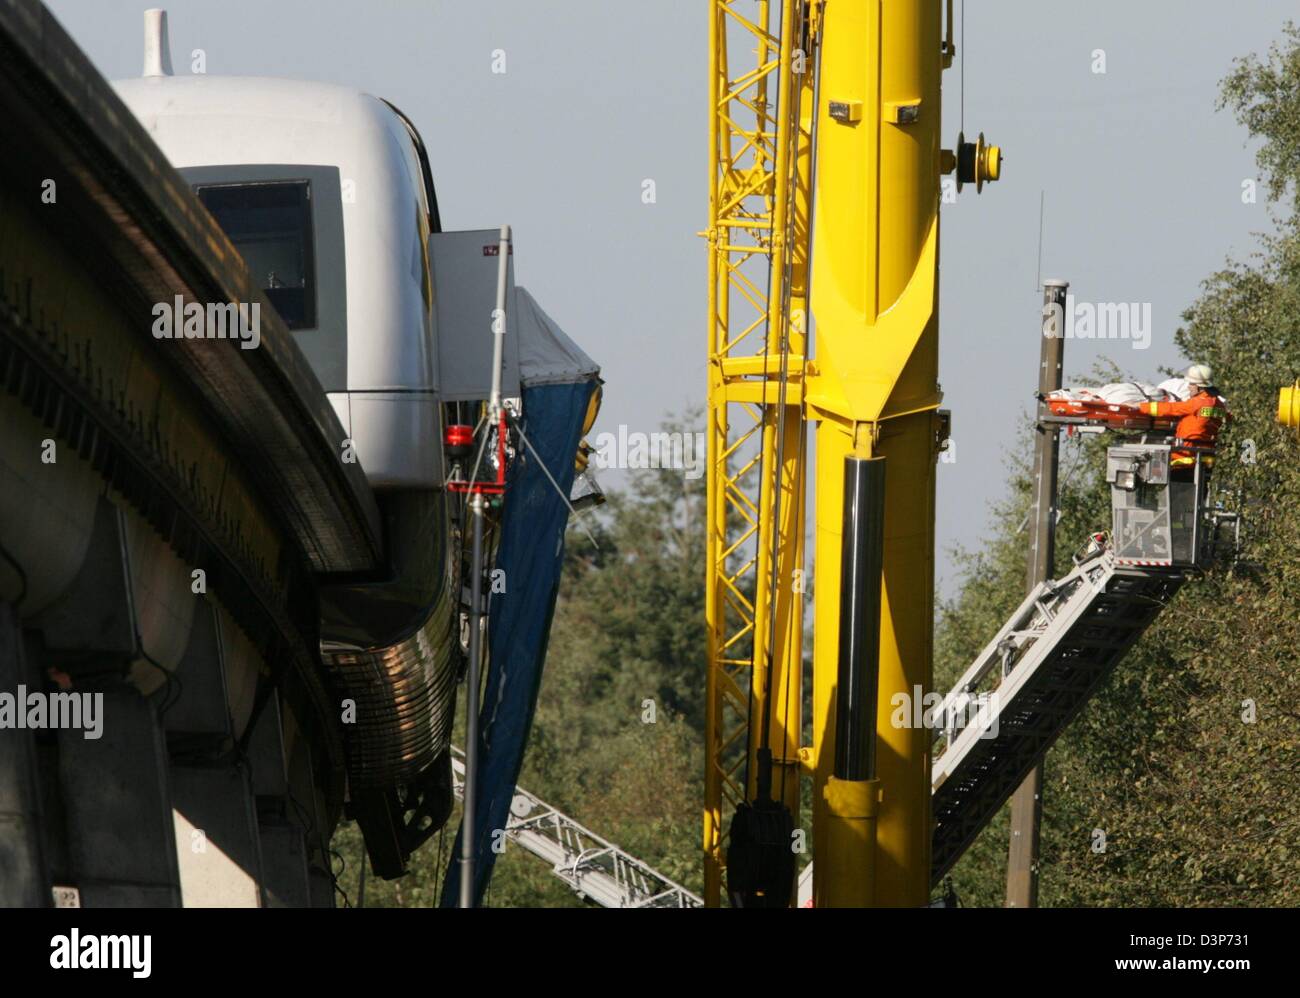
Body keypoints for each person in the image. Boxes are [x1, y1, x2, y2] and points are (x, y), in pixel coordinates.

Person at [1143, 364, 1229, 480]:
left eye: (1191, 384)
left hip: (1185, 460)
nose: (1188, 387)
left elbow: (1170, 408)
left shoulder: (1197, 403)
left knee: (1178, 495)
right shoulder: (1219, 405)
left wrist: (1141, 407)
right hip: (1206, 458)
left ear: (1200, 386)